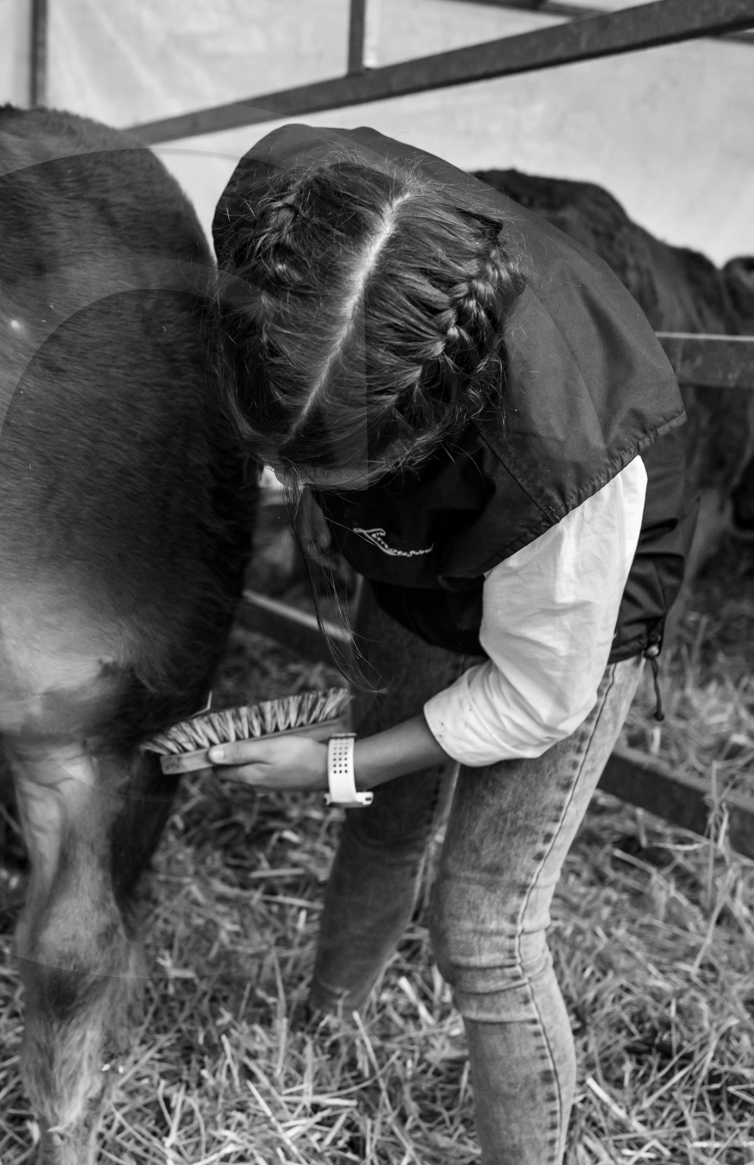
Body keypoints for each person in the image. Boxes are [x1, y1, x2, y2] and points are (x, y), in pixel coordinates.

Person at [205, 124, 694, 1165]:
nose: (293, 496)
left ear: (433, 427)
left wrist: (331, 760)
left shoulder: (561, 458)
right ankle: (325, 1041)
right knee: (379, 819)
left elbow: (531, 698)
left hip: (563, 604)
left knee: (484, 925)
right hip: (427, 544)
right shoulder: (278, 212)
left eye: (325, 479)